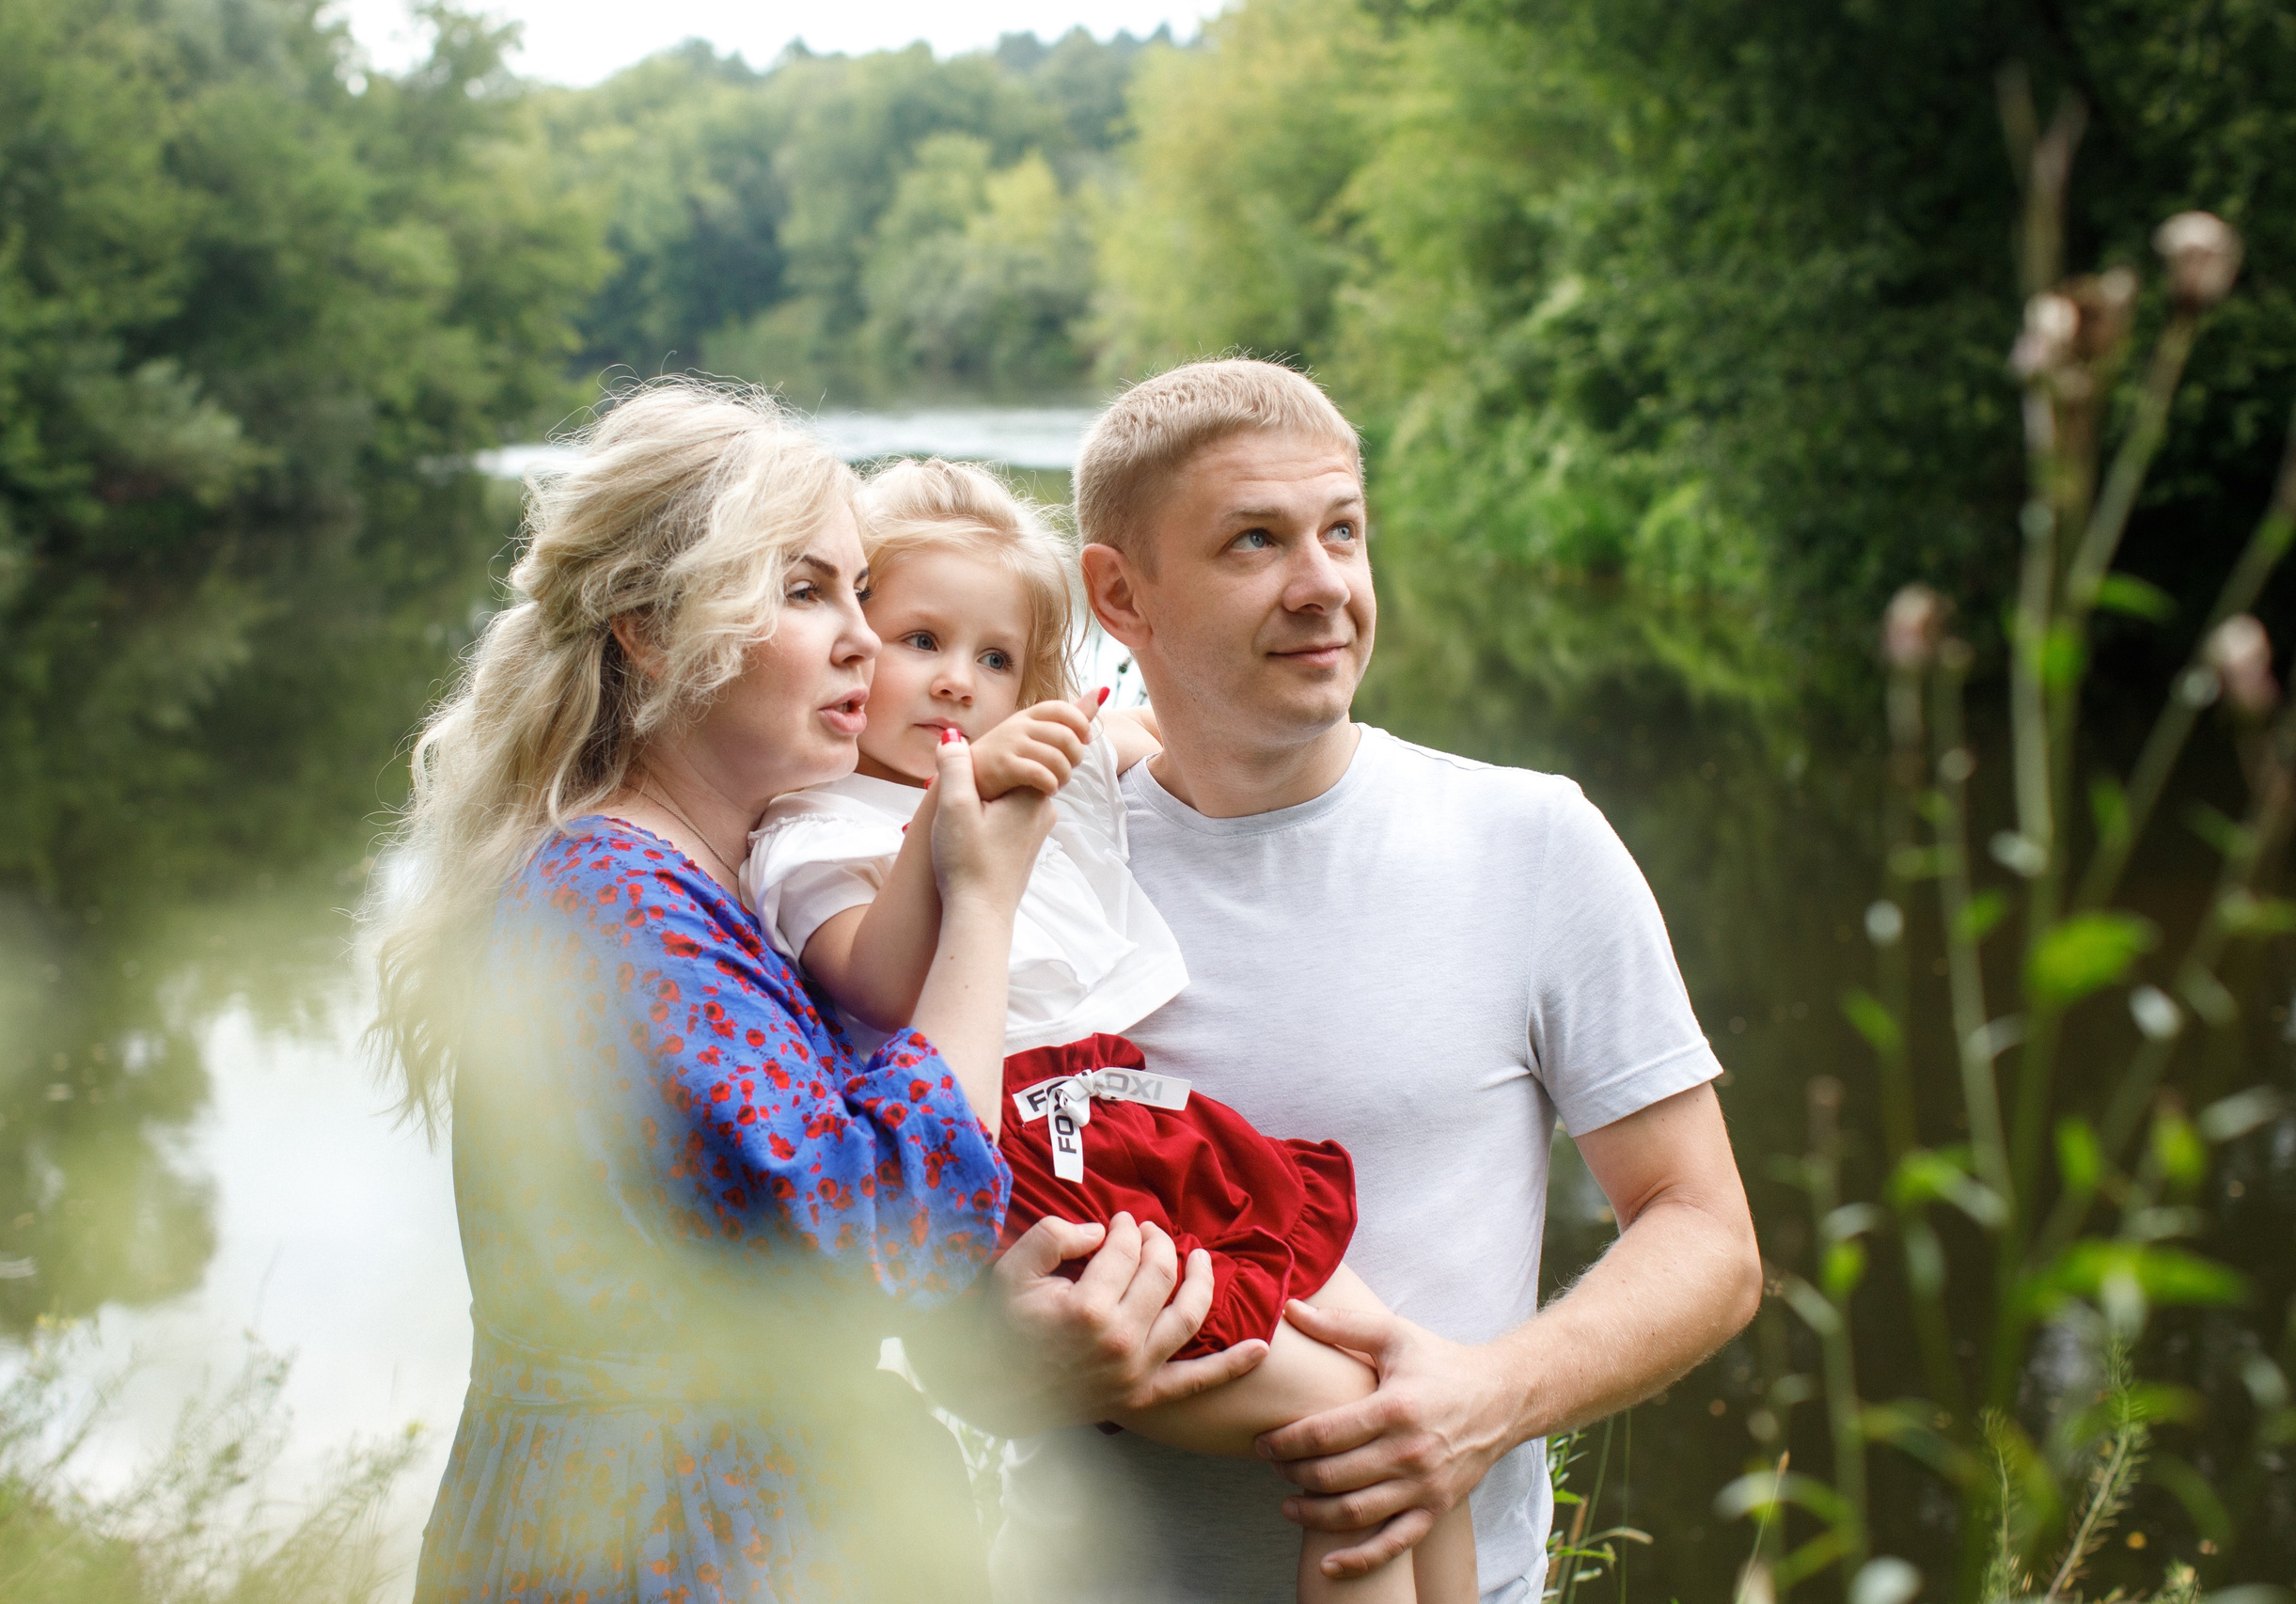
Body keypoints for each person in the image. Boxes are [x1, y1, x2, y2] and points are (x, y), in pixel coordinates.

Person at [922, 359, 1765, 1602]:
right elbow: (892, 1259)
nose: (1323, 586)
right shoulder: (1002, 853)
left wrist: (1490, 1399)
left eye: (1344, 532)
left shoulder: (1531, 842)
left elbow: (1707, 1234)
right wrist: (996, 1360)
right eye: (1254, 540)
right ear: (1120, 592)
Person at [738, 458, 1477, 1604]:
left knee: (1426, 1409)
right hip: (1028, 1159)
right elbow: (874, 982)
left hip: (1124, 1121)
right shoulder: (816, 828)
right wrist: (954, 806)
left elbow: (1152, 733)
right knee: (1352, 1434)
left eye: (993, 658)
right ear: (847, 645)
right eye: (919, 639)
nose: (955, 683)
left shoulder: (1042, 760)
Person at [369, 383, 1062, 1602]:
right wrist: (983, 905)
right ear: (646, 621)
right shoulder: (620, 900)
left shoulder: (693, 879)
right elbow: (890, 1231)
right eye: (804, 590)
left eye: (858, 589)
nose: (861, 635)